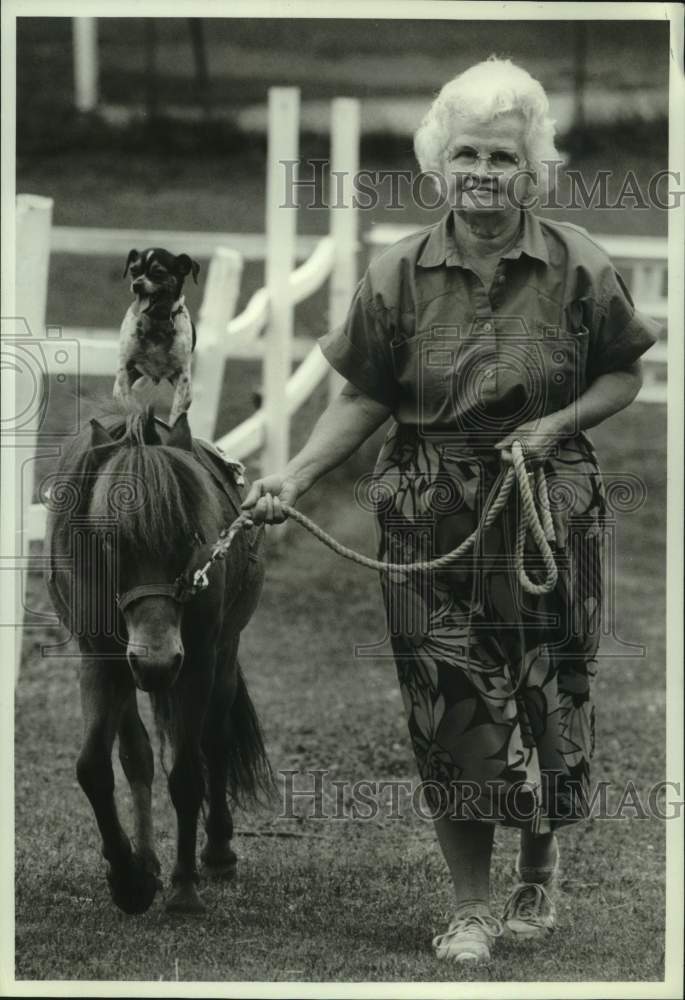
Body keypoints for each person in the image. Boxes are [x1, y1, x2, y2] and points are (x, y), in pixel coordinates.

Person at [241, 58, 660, 963]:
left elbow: (624, 370)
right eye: (465, 152)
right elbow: (363, 394)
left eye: (503, 157)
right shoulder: (399, 273)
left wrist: (556, 424)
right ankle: (470, 906)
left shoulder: (577, 264)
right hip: (427, 511)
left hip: (551, 503)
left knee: (553, 694)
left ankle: (536, 872)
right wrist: (299, 475)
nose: (482, 171)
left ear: (531, 170)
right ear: (439, 162)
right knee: (449, 705)